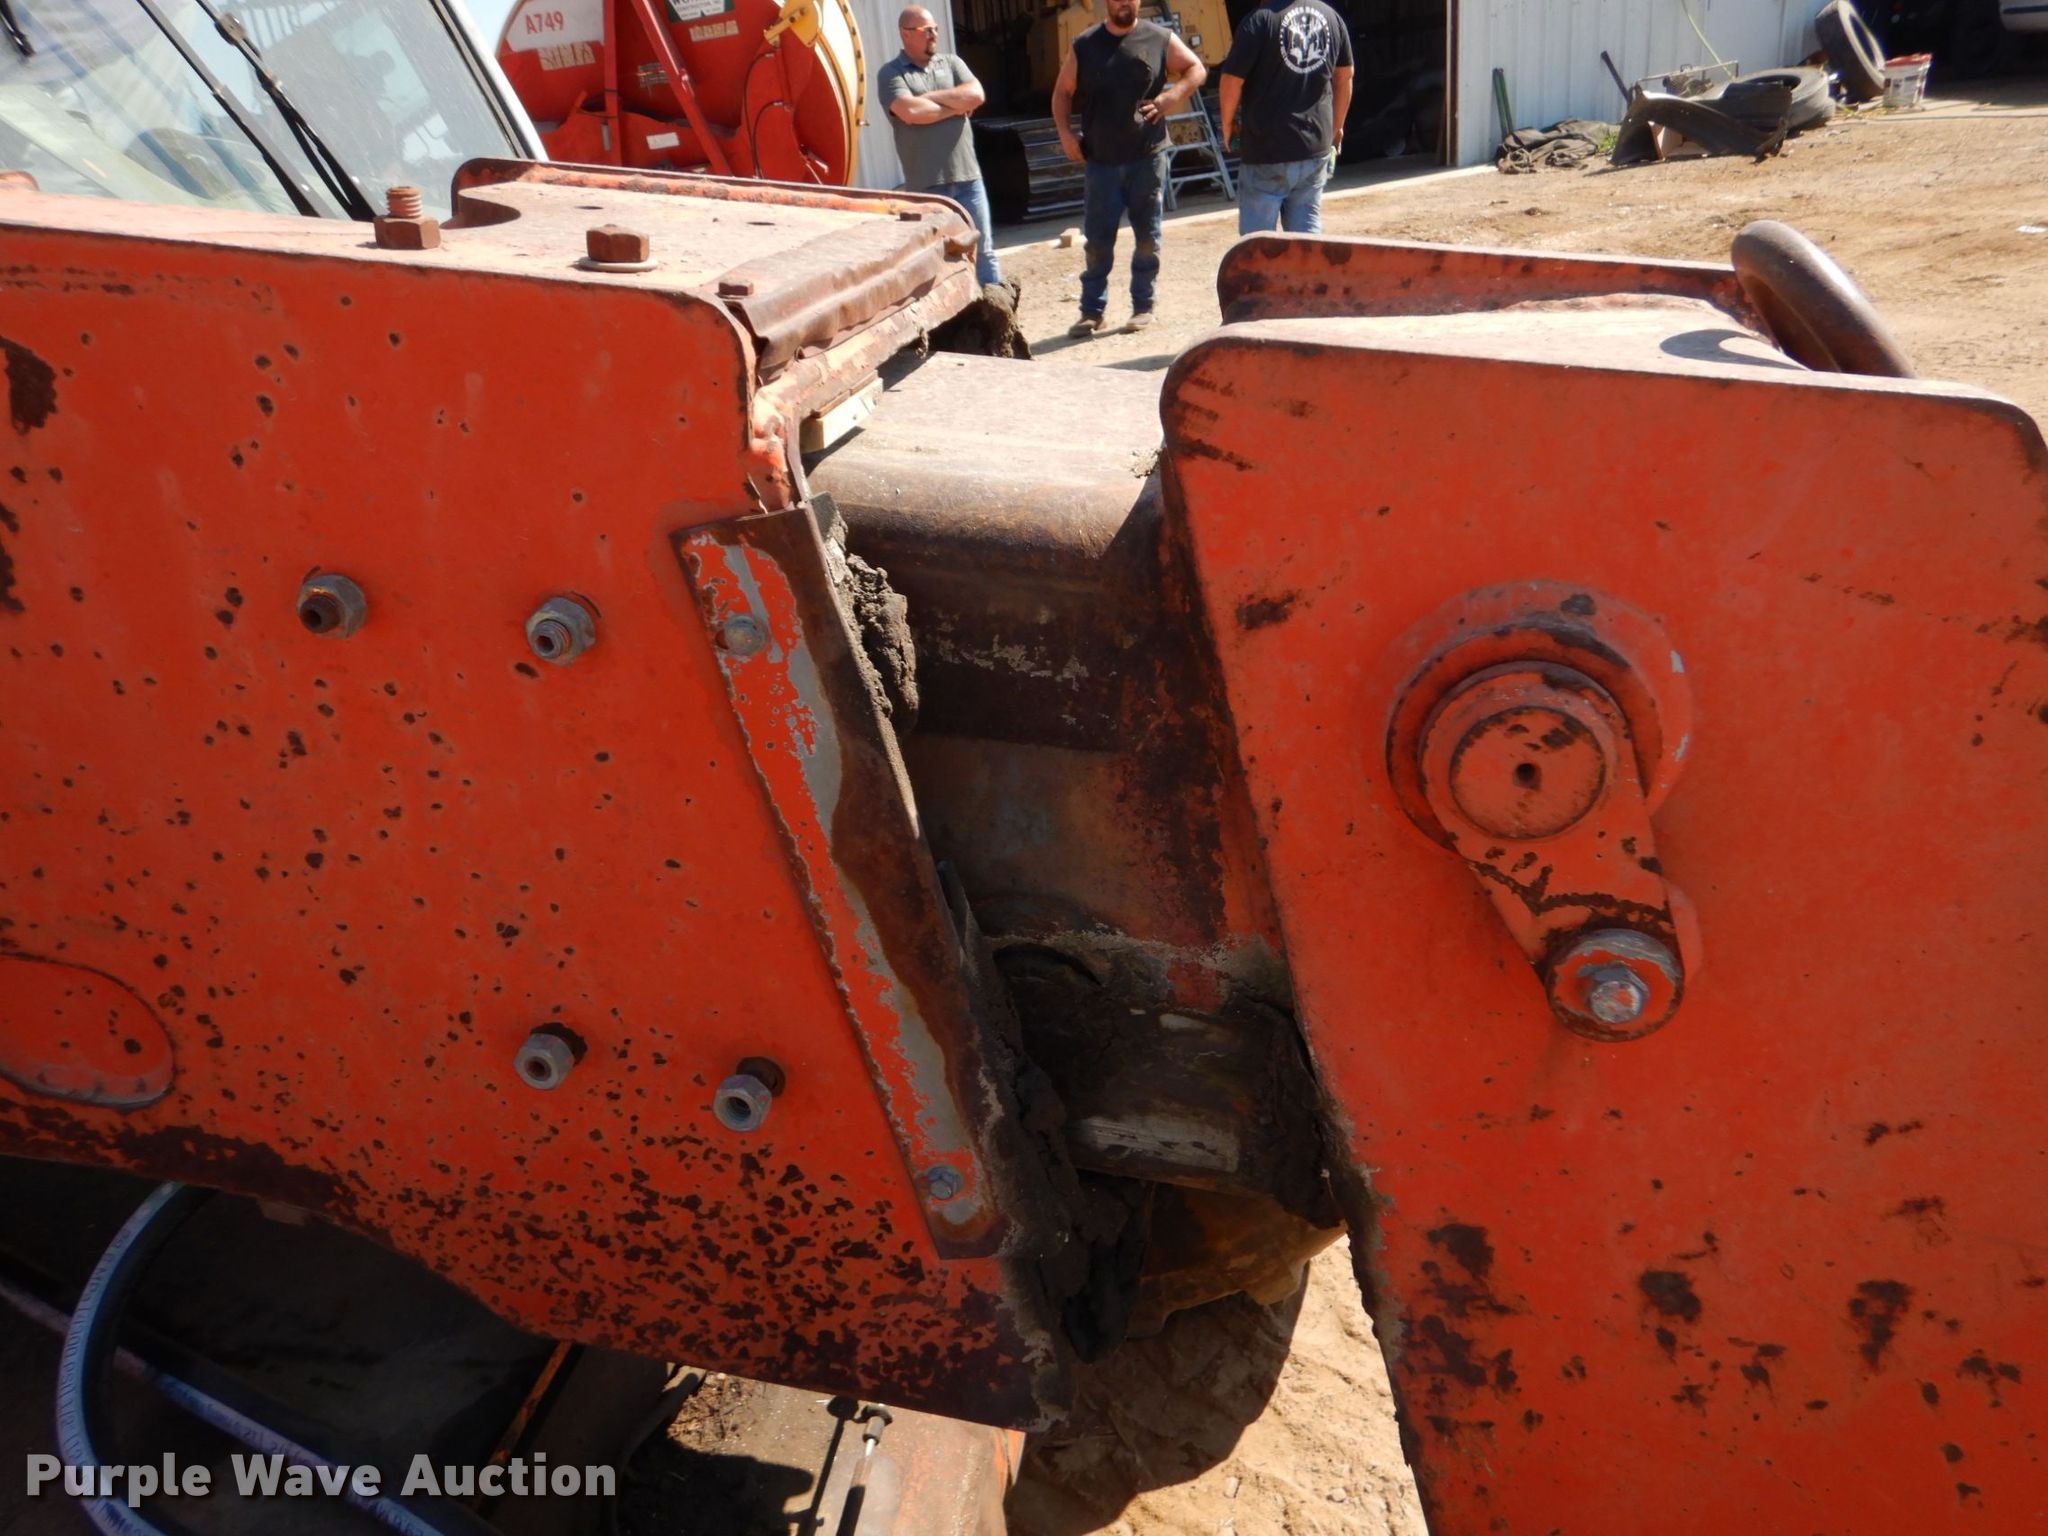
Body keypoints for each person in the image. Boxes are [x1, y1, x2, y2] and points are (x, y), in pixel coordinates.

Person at [1051, 0, 1206, 336]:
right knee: (1097, 242)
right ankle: (1092, 311)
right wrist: (1065, 134)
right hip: (1101, 161)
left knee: (1148, 237)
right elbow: (1062, 92)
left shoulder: (1159, 38)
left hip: (1146, 157)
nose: (1123, 1)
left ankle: (1143, 306)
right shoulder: (1085, 45)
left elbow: (1196, 69)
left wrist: (1170, 98)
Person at [877, 6, 1002, 289]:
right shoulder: (891, 74)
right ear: (905, 34)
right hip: (927, 188)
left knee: (984, 253)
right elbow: (911, 112)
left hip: (969, 180)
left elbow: (976, 95)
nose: (934, 34)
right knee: (937, 262)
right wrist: (956, 108)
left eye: (935, 29)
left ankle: (998, 309)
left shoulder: (952, 63)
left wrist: (929, 98)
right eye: (926, 30)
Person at [1218, 0, 1354, 236]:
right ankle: (1309, 261)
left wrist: (1227, 123)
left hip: (1267, 149)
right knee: (1306, 233)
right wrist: (1337, 127)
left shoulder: (1259, 20)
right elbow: (1345, 76)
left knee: (1258, 242)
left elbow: (1231, 79)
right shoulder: (1331, 17)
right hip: (1315, 146)